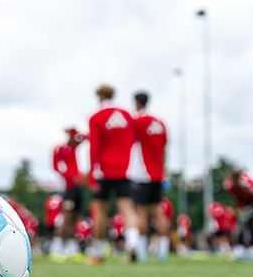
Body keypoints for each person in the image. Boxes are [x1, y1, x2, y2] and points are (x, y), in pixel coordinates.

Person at [86, 84, 136, 264]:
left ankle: (98, 252)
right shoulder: (128, 115)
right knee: (128, 210)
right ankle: (132, 245)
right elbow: (133, 141)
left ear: (99, 96)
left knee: (100, 211)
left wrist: (92, 173)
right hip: (125, 169)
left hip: (104, 171)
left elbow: (94, 147)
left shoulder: (96, 116)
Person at [128, 91, 169, 262]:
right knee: (159, 213)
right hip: (157, 175)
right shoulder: (160, 123)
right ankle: (163, 252)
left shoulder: (137, 122)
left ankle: (143, 253)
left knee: (141, 213)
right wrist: (163, 171)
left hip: (142, 175)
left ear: (137, 103)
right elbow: (164, 150)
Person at [52, 127, 86, 258]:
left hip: (77, 189)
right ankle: (56, 248)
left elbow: (86, 137)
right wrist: (71, 177)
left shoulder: (74, 148)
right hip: (69, 189)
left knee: (74, 219)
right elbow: (56, 167)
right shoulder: (61, 149)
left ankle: (70, 249)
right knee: (66, 219)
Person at [223, 169, 253, 260]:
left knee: (250, 226)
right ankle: (240, 249)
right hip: (244, 205)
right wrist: (239, 208)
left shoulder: (245, 184)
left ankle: (251, 250)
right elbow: (238, 198)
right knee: (241, 227)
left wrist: (250, 208)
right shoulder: (232, 186)